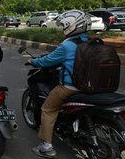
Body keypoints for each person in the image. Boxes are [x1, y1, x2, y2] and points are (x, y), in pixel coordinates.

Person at [28, 10, 91, 158]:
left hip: (70, 87)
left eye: (64, 25)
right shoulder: (90, 42)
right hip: (90, 86)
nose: (63, 27)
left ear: (71, 25)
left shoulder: (67, 45)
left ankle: (46, 147)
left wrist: (33, 61)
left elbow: (48, 61)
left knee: (48, 109)